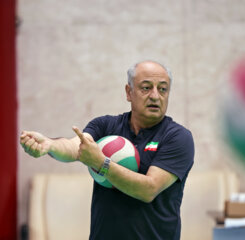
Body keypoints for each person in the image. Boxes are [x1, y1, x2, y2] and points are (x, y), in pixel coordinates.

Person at [20, 60, 195, 240]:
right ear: (129, 92)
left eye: (163, 89)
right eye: (146, 87)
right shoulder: (105, 126)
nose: (155, 96)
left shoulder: (178, 137)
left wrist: (100, 163)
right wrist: (49, 144)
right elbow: (75, 147)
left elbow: (148, 189)